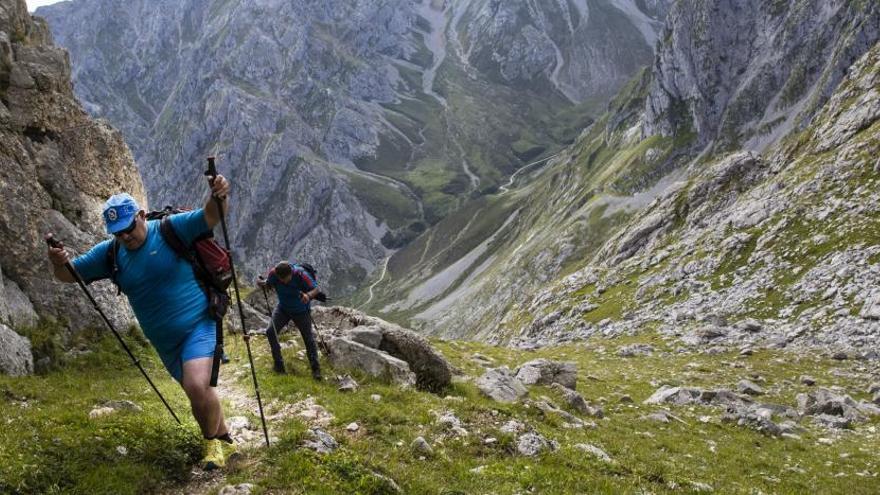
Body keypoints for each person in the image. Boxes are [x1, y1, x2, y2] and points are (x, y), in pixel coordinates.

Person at [47, 176, 235, 470]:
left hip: (199, 322)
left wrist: (218, 196)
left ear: (142, 216)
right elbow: (69, 276)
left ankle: (210, 445)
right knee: (196, 390)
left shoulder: (172, 229)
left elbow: (212, 215)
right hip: (165, 343)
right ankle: (223, 438)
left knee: (197, 384)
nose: (125, 237)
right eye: (117, 233)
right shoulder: (110, 254)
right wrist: (58, 262)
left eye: (129, 228)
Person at [257, 261, 322, 380]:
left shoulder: (301, 274)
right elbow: (268, 284)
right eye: (280, 279)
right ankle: (279, 366)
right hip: (283, 308)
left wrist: (307, 296)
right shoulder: (274, 274)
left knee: (308, 338)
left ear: (291, 273)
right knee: (270, 332)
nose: (283, 281)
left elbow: (316, 289)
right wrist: (261, 283)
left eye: (285, 279)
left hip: (301, 311)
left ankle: (316, 370)